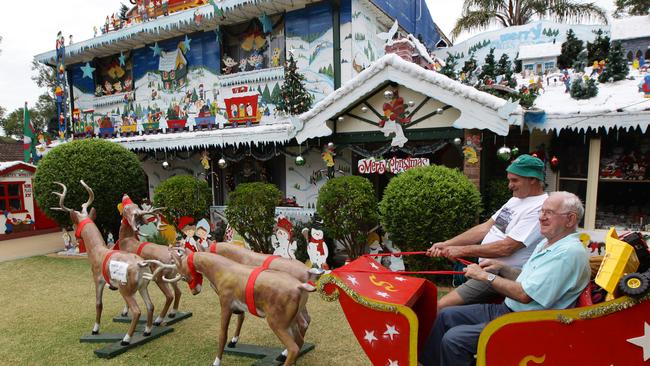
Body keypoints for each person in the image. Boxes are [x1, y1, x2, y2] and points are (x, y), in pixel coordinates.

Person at [419, 191, 590, 366]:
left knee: (455, 340)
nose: (541, 217)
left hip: (529, 324)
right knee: (445, 315)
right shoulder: (549, 243)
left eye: (549, 213)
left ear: (570, 219)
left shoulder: (567, 253)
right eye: (541, 211)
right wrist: (503, 268)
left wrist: (485, 276)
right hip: (509, 310)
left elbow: (525, 294)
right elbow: (528, 280)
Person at [426, 154, 548, 310]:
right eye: (509, 180)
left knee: (440, 307)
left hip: (501, 275)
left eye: (515, 180)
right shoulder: (515, 199)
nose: (510, 185)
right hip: (484, 269)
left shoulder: (540, 207)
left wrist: (460, 251)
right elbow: (486, 227)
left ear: (533, 179)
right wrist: (447, 244)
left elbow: (507, 247)